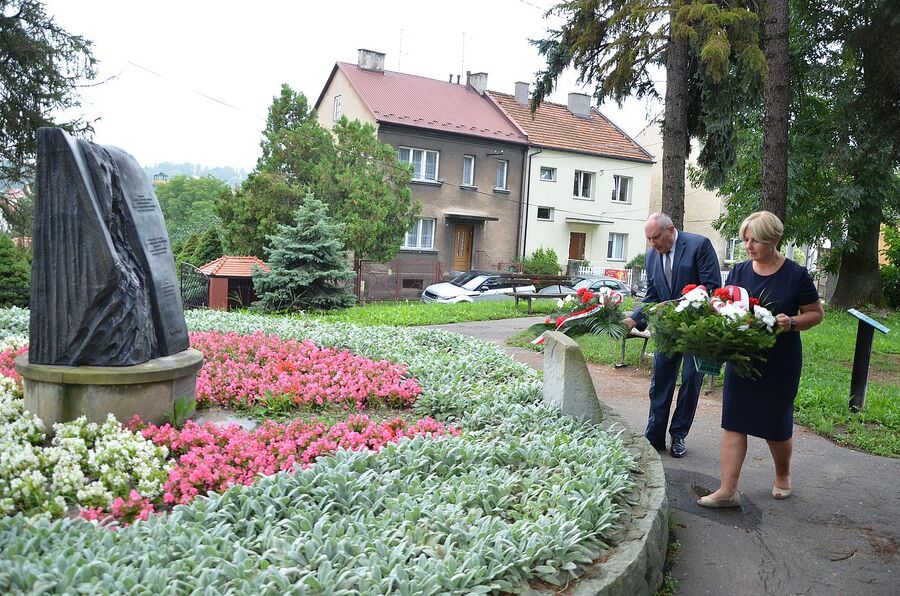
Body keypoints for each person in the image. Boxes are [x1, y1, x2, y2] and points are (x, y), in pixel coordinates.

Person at [698, 211, 824, 508]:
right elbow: (725, 304)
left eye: (755, 240)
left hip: (780, 361)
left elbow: (816, 314)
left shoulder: (796, 275)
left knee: (775, 425)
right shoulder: (740, 271)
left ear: (774, 239)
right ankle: (728, 490)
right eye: (745, 239)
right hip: (742, 358)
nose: (748, 245)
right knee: (734, 421)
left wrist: (791, 322)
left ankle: (783, 475)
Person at [624, 212, 721, 458]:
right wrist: (634, 318)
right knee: (661, 382)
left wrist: (678, 305)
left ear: (670, 230)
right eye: (649, 239)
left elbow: (712, 289)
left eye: (656, 237)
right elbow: (653, 295)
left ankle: (679, 435)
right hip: (667, 331)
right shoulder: (651, 256)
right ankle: (654, 437)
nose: (653, 244)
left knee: (690, 381)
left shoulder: (699, 246)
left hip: (697, 330)